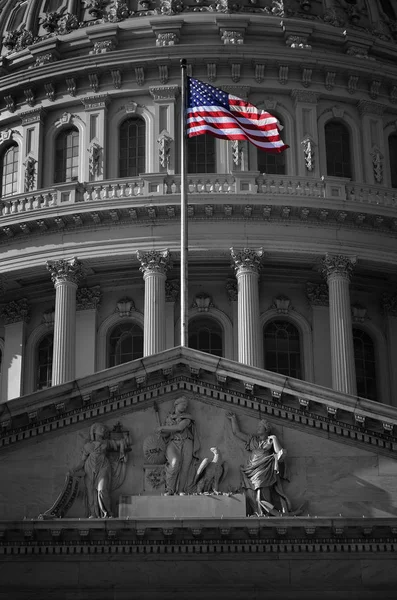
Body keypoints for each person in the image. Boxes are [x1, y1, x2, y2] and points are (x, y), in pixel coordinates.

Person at [227, 413, 291, 516]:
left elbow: (279, 452)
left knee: (262, 492)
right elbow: (237, 433)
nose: (258, 428)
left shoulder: (270, 441)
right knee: (251, 494)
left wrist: (274, 438)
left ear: (266, 429)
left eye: (260, 427)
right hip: (251, 469)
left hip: (264, 470)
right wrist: (233, 419)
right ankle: (257, 512)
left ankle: (266, 513)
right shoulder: (253, 440)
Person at [70, 422, 129, 518]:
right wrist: (74, 469)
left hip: (103, 466)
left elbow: (121, 442)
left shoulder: (106, 443)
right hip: (90, 468)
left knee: (101, 489)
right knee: (90, 492)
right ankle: (93, 513)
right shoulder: (88, 446)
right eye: (100, 428)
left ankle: (107, 512)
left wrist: (122, 447)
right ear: (94, 431)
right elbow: (82, 461)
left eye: (104, 429)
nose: (103, 430)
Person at [156, 396, 200, 495]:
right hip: (173, 443)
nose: (185, 407)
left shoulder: (187, 417)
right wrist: (161, 432)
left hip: (187, 442)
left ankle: (181, 490)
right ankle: (170, 489)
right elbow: (166, 434)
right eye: (183, 404)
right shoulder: (168, 418)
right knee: (174, 463)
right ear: (176, 404)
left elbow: (180, 427)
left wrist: (163, 427)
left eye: (186, 405)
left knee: (185, 467)